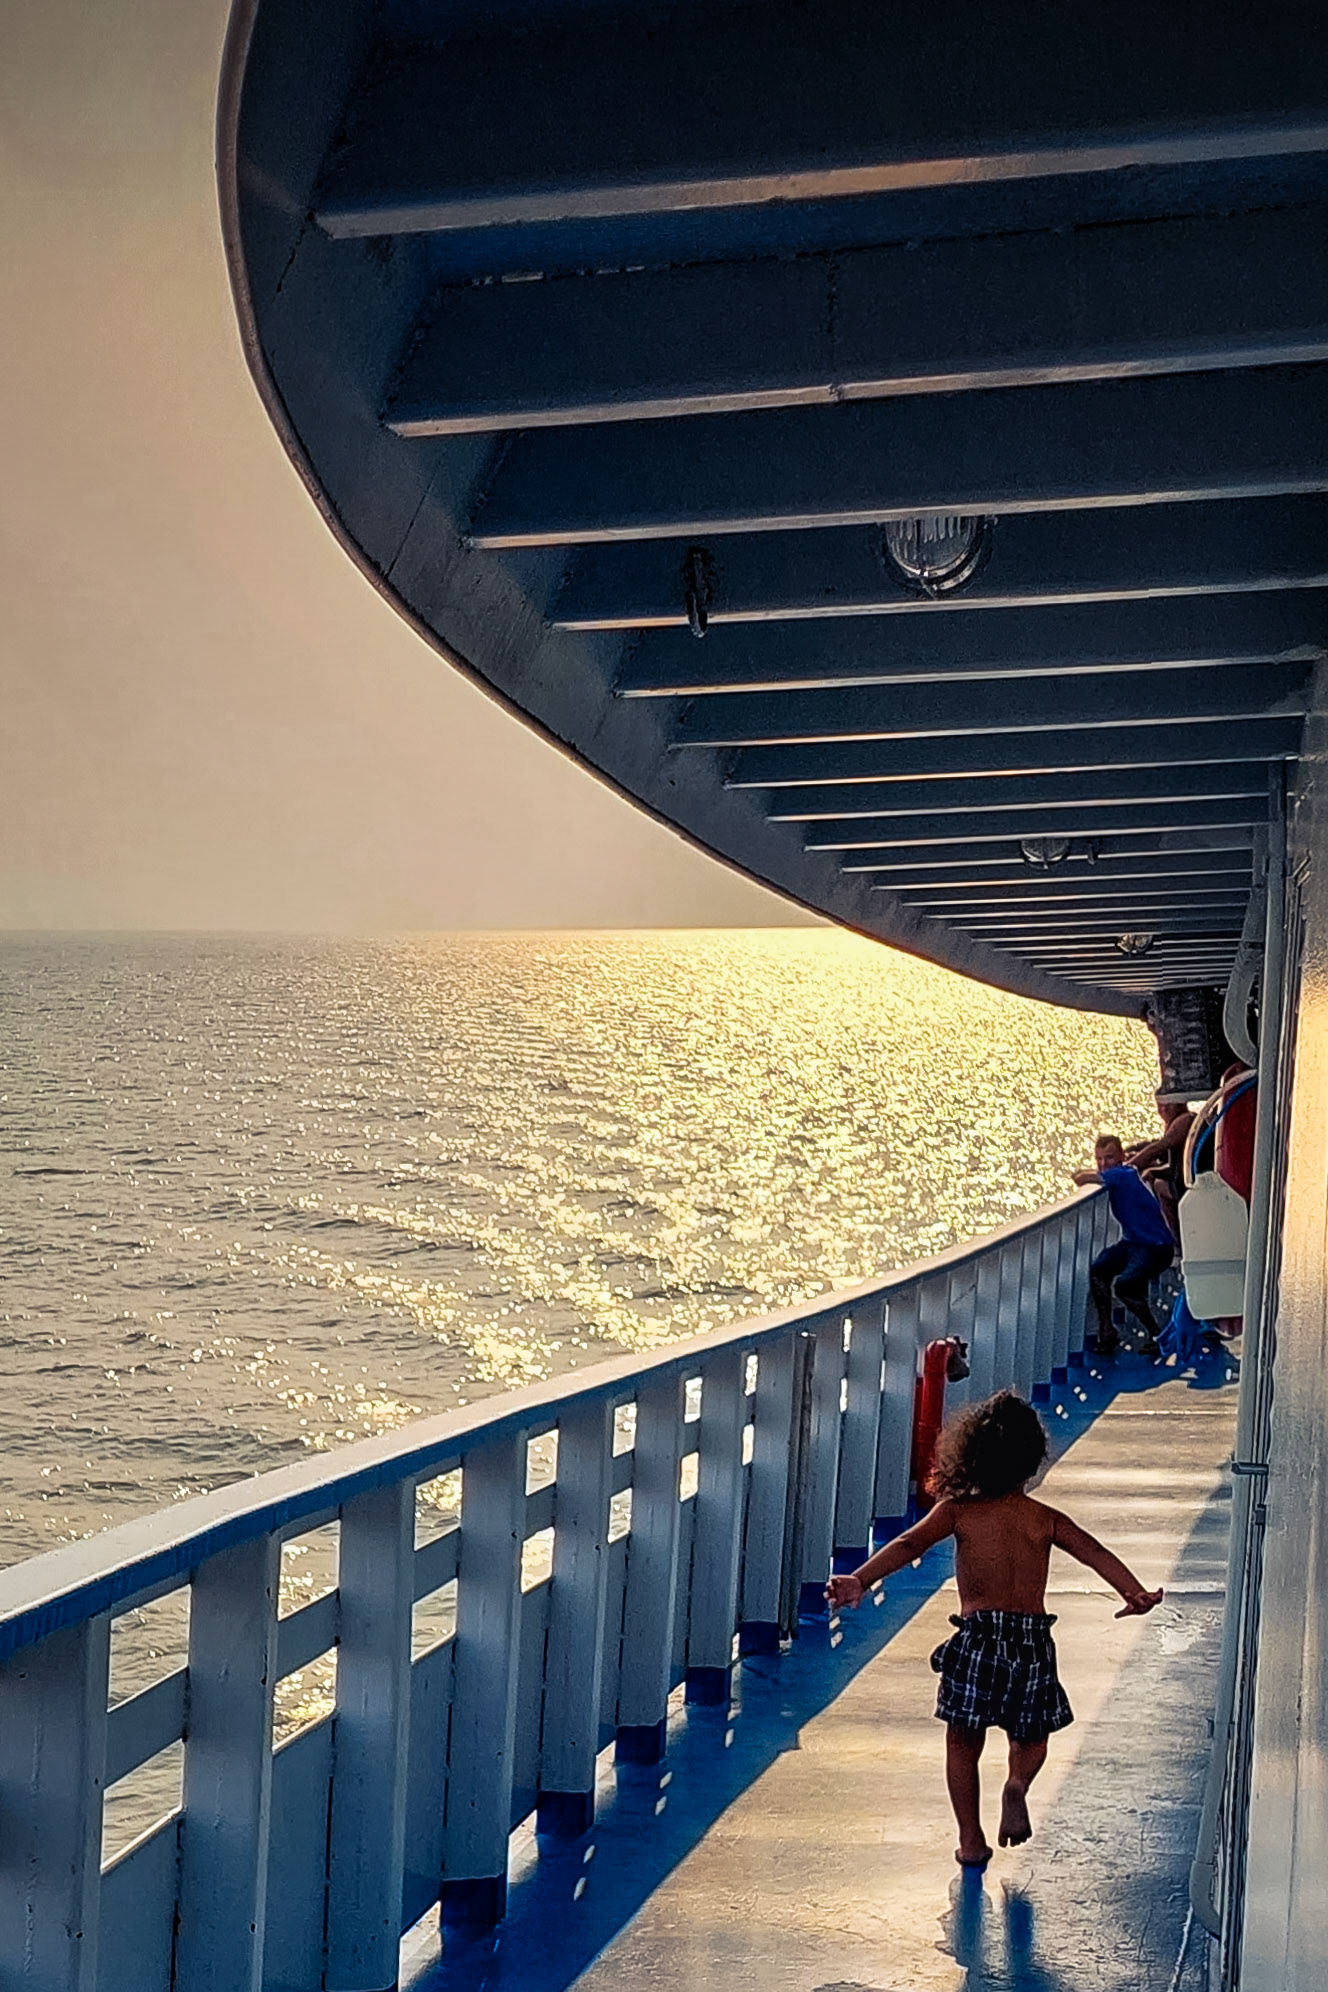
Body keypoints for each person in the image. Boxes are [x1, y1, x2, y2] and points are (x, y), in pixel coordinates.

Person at [826, 1391, 1163, 1868]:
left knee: (963, 1741)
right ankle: (1018, 1783)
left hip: (978, 1640)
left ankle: (970, 1839)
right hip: (1030, 1641)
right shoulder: (1043, 1518)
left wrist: (860, 1578)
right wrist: (1134, 1592)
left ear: (969, 1455)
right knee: (1033, 1736)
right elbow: (1094, 1552)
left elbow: (907, 1543)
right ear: (1032, 1460)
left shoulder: (958, 1512)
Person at [1071, 1134, 1175, 1355]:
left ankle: (1157, 1333)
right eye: (1099, 1159)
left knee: (1124, 1287)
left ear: (1121, 1156)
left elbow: (1081, 1178)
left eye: (1109, 1158)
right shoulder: (1124, 1174)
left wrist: (1087, 1172)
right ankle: (1106, 1330)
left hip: (1156, 1247)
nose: (1103, 1164)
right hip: (1134, 1242)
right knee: (1100, 1270)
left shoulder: (1123, 1174)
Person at [1124, 1094, 1194, 1240]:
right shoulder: (1173, 1123)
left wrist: (1127, 1168)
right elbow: (1172, 1164)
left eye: (1168, 1104)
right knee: (1151, 1177)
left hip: (1192, 1179)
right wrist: (1151, 1169)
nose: (1163, 1109)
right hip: (1185, 1176)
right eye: (1159, 1105)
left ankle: (1177, 1240)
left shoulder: (1185, 1120)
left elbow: (1159, 1147)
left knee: (1160, 1186)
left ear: (1181, 1102)